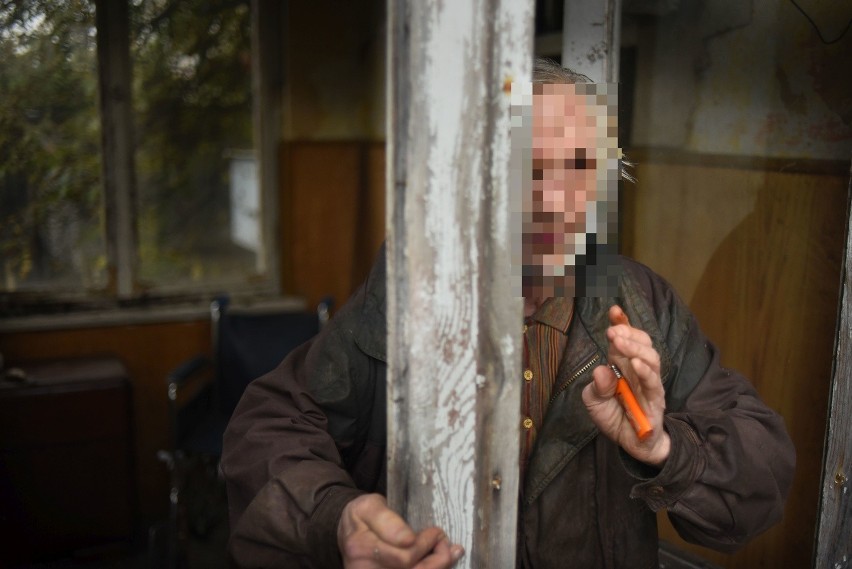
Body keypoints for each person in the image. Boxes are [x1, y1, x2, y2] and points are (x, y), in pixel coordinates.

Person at [221, 59, 795, 569]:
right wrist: (334, 517)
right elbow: (268, 429)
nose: (551, 199)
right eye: (525, 167)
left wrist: (663, 447)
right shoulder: (414, 295)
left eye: (578, 166)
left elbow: (759, 469)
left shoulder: (640, 301)